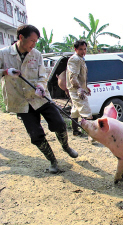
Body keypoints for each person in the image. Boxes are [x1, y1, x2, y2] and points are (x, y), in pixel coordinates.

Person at [0, 25, 78, 173]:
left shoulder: (36, 54)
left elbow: (43, 75)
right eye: (32, 41)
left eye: (36, 41)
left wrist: (41, 86)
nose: (34, 45)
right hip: (20, 101)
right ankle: (53, 161)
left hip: (39, 97)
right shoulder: (3, 54)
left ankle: (66, 146)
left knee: (59, 123)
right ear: (21, 38)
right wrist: (5, 71)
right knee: (36, 135)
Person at [66, 40, 93, 137]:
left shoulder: (80, 59)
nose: (83, 51)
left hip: (79, 88)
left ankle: (75, 131)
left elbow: (81, 77)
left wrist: (85, 87)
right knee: (87, 111)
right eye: (81, 49)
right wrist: (79, 89)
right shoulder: (75, 59)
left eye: (85, 49)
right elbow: (73, 77)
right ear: (75, 49)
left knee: (75, 110)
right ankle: (92, 135)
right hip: (76, 90)